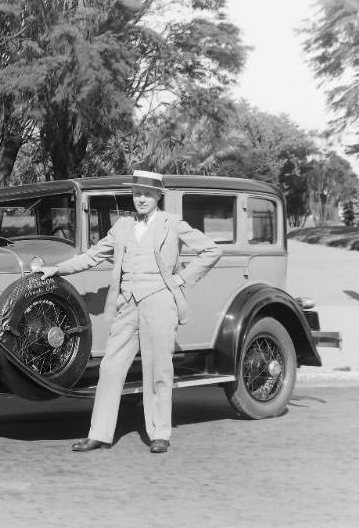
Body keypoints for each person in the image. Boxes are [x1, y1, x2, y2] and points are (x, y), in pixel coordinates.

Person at [38, 170, 221, 454]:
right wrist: (56, 269)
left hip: (160, 304)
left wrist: (181, 279)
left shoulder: (172, 224)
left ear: (158, 197)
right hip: (127, 306)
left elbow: (211, 251)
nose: (141, 200)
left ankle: (160, 433)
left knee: (158, 369)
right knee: (110, 369)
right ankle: (98, 434)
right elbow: (92, 255)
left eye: (147, 195)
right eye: (137, 194)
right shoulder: (122, 226)